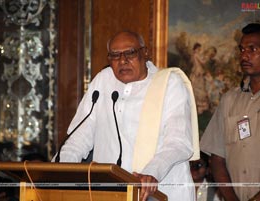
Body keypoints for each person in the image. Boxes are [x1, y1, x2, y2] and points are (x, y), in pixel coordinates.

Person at [53, 30, 196, 201]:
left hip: (162, 193)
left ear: (145, 53)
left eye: (130, 53)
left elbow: (179, 142)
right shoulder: (103, 81)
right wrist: (58, 173)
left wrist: (150, 173)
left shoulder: (168, 83)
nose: (122, 61)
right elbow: (78, 138)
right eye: (115, 55)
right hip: (111, 194)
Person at [200, 23, 260, 201]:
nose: (244, 55)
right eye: (242, 49)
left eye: (253, 49)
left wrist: (259, 199)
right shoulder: (229, 100)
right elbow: (217, 159)